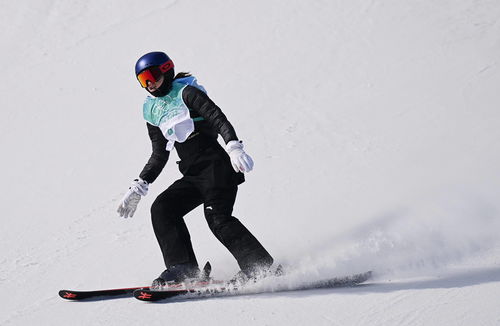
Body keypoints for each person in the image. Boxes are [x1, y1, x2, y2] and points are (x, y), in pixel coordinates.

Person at [117, 51, 274, 287]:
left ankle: (259, 266)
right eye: (142, 81)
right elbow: (159, 154)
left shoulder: (188, 93)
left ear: (166, 70)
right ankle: (183, 269)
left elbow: (218, 118)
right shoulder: (153, 110)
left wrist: (233, 146)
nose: (149, 84)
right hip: (193, 175)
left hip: (218, 169)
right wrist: (140, 185)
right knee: (163, 208)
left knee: (217, 219)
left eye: (151, 76)